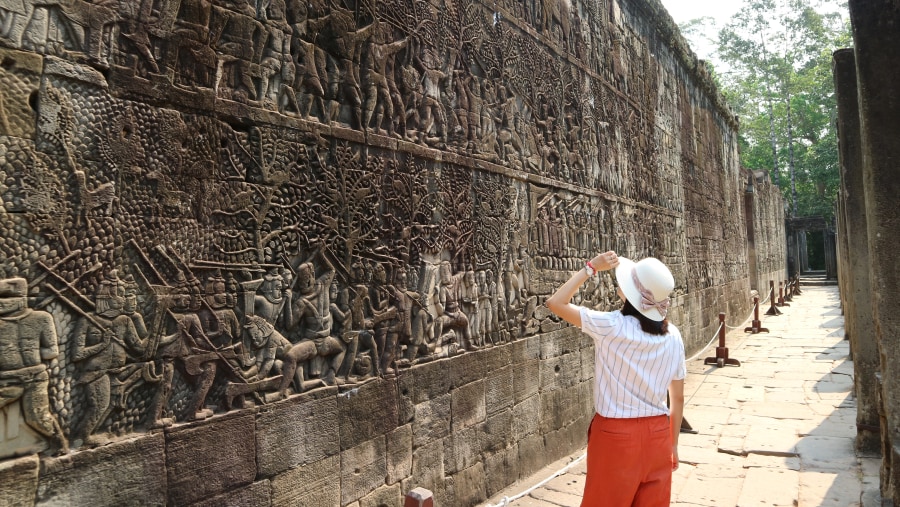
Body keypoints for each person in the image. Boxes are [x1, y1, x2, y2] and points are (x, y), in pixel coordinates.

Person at [546, 251, 685, 506]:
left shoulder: (611, 326)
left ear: (630, 293)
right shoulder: (674, 335)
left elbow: (556, 303)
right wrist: (672, 445)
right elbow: (677, 398)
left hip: (617, 437)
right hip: (658, 436)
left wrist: (590, 268)